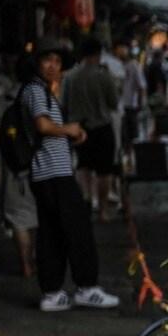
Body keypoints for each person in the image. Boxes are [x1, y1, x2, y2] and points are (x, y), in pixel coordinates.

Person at [21, 39, 119, 312]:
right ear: (37, 63)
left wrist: (71, 134)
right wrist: (70, 130)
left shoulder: (43, 91)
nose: (53, 66)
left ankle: (52, 292)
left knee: (52, 232)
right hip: (54, 173)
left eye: (57, 61)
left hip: (50, 171)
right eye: (47, 60)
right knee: (78, 228)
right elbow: (42, 125)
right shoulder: (36, 90)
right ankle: (86, 287)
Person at [61, 37, 121, 220]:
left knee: (82, 166)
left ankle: (85, 202)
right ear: (98, 54)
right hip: (102, 126)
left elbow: (64, 104)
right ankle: (103, 209)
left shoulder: (69, 77)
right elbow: (114, 102)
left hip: (78, 128)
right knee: (104, 171)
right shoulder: (104, 76)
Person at [0, 57, 38, 278]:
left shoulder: (2, 101)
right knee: (35, 214)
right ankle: (34, 258)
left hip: (11, 167)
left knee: (18, 217)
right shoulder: (40, 99)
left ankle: (26, 264)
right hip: (38, 165)